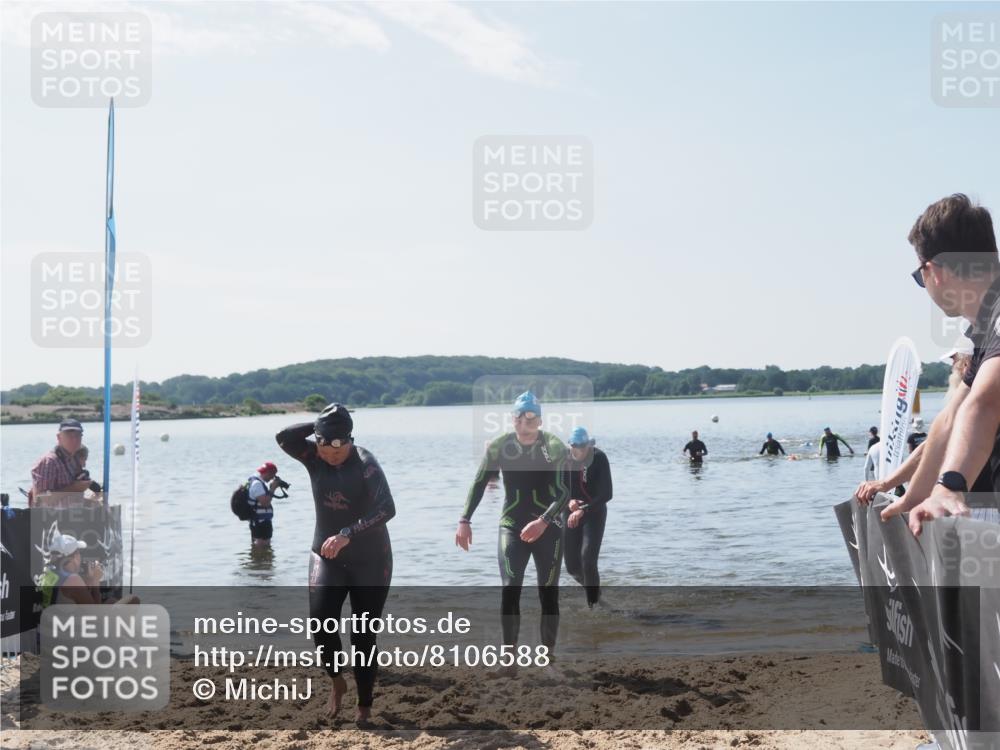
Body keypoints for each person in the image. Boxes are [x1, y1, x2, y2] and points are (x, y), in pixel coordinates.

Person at [880, 193, 1000, 533]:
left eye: (920, 278)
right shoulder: (985, 326)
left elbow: (986, 403)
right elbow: (951, 417)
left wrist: (948, 486)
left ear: (934, 272)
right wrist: (915, 496)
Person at [276, 403, 396, 721]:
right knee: (320, 623)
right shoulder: (314, 456)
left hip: (371, 559)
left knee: (362, 634)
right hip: (326, 556)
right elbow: (284, 437)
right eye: (325, 448)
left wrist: (348, 532)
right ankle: (337, 681)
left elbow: (387, 508)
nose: (331, 456)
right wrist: (320, 426)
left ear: (350, 441)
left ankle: (364, 705)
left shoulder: (366, 463)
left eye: (338, 450)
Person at [455, 391, 569, 670]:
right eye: (519, 416)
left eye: (530, 416)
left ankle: (548, 654)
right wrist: (464, 520)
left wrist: (543, 520)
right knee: (510, 588)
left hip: (549, 526)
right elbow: (480, 482)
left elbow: (565, 493)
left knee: (548, 591)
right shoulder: (499, 446)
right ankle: (508, 656)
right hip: (512, 525)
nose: (524, 421)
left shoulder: (554, 446)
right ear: (512, 418)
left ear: (539, 421)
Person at [563, 427, 613, 608]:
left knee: (588, 559)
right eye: (575, 447)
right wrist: (568, 502)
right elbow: (557, 489)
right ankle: (596, 594)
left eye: (583, 447)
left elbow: (607, 493)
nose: (580, 451)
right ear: (570, 446)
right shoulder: (564, 459)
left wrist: (583, 508)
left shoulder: (599, 458)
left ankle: (593, 606)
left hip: (594, 512)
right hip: (569, 513)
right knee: (571, 567)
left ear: (589, 445)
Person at [35, 526, 138, 606]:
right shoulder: (72, 580)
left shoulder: (50, 571)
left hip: (53, 627)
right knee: (133, 600)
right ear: (74, 557)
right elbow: (94, 614)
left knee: (111, 602)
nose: (80, 557)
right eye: (79, 552)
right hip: (68, 630)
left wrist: (88, 582)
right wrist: (95, 582)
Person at [29, 419, 92, 506]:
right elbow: (40, 501)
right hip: (53, 518)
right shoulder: (49, 462)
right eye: (69, 436)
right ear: (59, 437)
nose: (74, 440)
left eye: (77, 436)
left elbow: (69, 499)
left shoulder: (74, 459)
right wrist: (74, 488)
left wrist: (92, 502)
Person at [246, 461, 285, 548]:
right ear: (268, 473)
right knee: (262, 545)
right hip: (260, 521)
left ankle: (259, 560)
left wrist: (271, 488)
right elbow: (265, 502)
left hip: (259, 521)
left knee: (260, 547)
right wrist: (273, 488)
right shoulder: (257, 484)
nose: (272, 478)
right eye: (272, 475)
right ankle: (260, 560)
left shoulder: (257, 482)